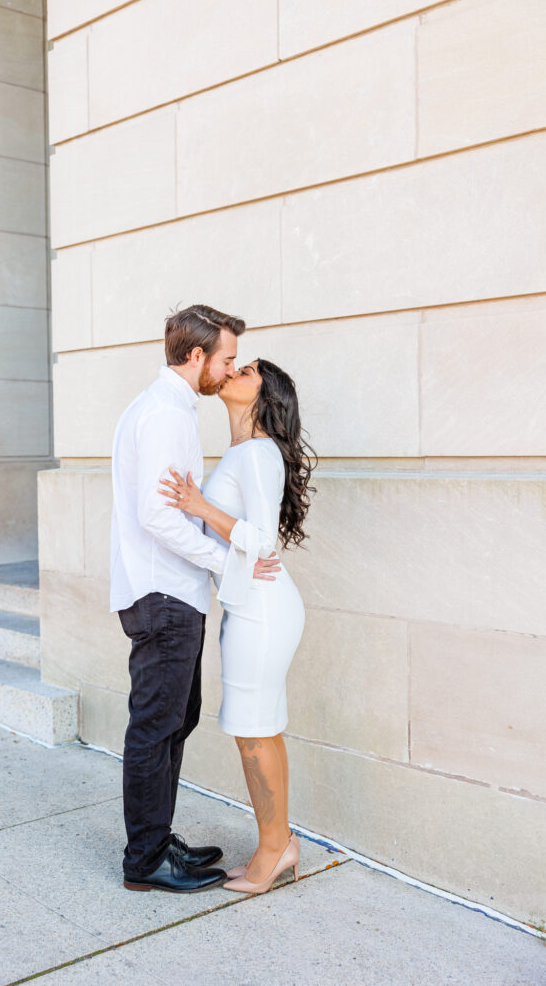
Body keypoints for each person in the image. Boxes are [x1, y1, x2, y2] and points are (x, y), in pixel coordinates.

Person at [110, 304, 282, 893]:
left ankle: (157, 841)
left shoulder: (169, 408)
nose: (228, 370)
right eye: (226, 359)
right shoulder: (166, 414)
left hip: (169, 592)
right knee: (157, 725)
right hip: (164, 593)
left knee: (173, 720)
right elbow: (159, 514)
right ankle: (145, 861)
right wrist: (225, 563)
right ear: (196, 356)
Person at [159, 357, 316, 895]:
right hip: (253, 604)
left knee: (253, 734)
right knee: (261, 729)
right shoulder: (246, 453)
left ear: (263, 394)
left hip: (263, 608)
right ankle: (279, 844)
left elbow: (262, 541)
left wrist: (200, 504)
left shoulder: (257, 451)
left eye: (246, 370)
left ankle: (274, 851)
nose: (232, 371)